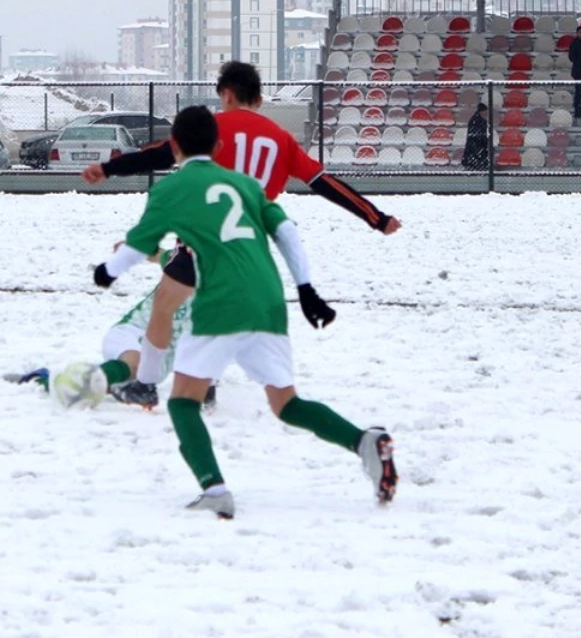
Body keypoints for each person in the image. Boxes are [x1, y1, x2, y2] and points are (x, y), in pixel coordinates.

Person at [87, 105, 397, 519]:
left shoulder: (173, 188)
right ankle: (363, 442)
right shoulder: (248, 186)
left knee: (182, 402)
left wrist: (107, 271)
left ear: (174, 145)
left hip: (220, 303)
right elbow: (287, 232)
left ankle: (213, 488)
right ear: (217, 146)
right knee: (287, 404)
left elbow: (140, 244)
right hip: (268, 301)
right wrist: (306, 289)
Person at [81, 62, 400, 401]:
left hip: (199, 241)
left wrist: (108, 168)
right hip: (248, 250)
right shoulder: (282, 139)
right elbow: (325, 183)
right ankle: (206, 384)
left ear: (227, 94)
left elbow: (159, 156)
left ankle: (147, 385)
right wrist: (375, 217)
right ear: (260, 99)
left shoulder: (212, 128)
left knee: (169, 304)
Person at [9, 247, 217, 411]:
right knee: (134, 364)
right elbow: (160, 254)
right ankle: (46, 379)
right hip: (131, 333)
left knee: (113, 384)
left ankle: (104, 381)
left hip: (159, 361)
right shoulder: (190, 262)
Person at [461, 103, 490, 171]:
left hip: (475, 146)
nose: (486, 113)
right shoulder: (478, 121)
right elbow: (478, 134)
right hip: (476, 146)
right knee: (477, 163)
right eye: (485, 111)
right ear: (481, 111)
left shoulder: (475, 120)